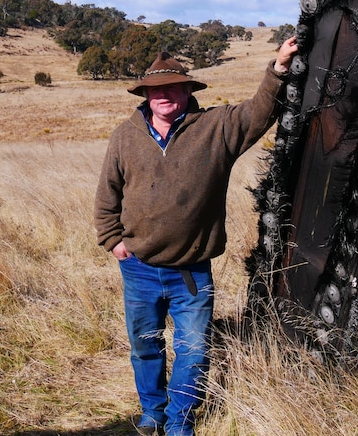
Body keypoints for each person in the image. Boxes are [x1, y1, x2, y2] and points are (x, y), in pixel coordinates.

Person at [94, 38, 298, 436]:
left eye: (173, 87)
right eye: (156, 89)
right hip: (138, 268)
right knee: (145, 345)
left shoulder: (215, 128)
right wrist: (113, 241)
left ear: (189, 90)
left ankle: (180, 420)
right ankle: (153, 411)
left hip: (192, 272)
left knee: (194, 349)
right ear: (146, 95)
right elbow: (107, 196)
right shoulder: (125, 136)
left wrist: (278, 68)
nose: (164, 95)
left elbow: (259, 112)